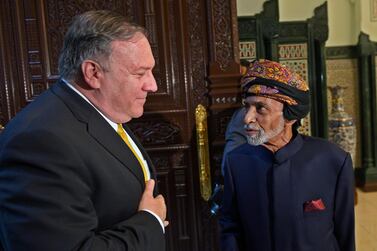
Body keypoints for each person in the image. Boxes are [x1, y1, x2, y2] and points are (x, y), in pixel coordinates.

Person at [0, 10, 167, 251]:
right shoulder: (39, 142)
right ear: (93, 73)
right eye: (140, 73)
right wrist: (150, 223)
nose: (153, 85)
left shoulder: (100, 110)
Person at [219, 59, 355, 251]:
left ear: (290, 116)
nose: (248, 118)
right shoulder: (237, 162)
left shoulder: (333, 160)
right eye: (247, 107)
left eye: (260, 108)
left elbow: (345, 234)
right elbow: (231, 228)